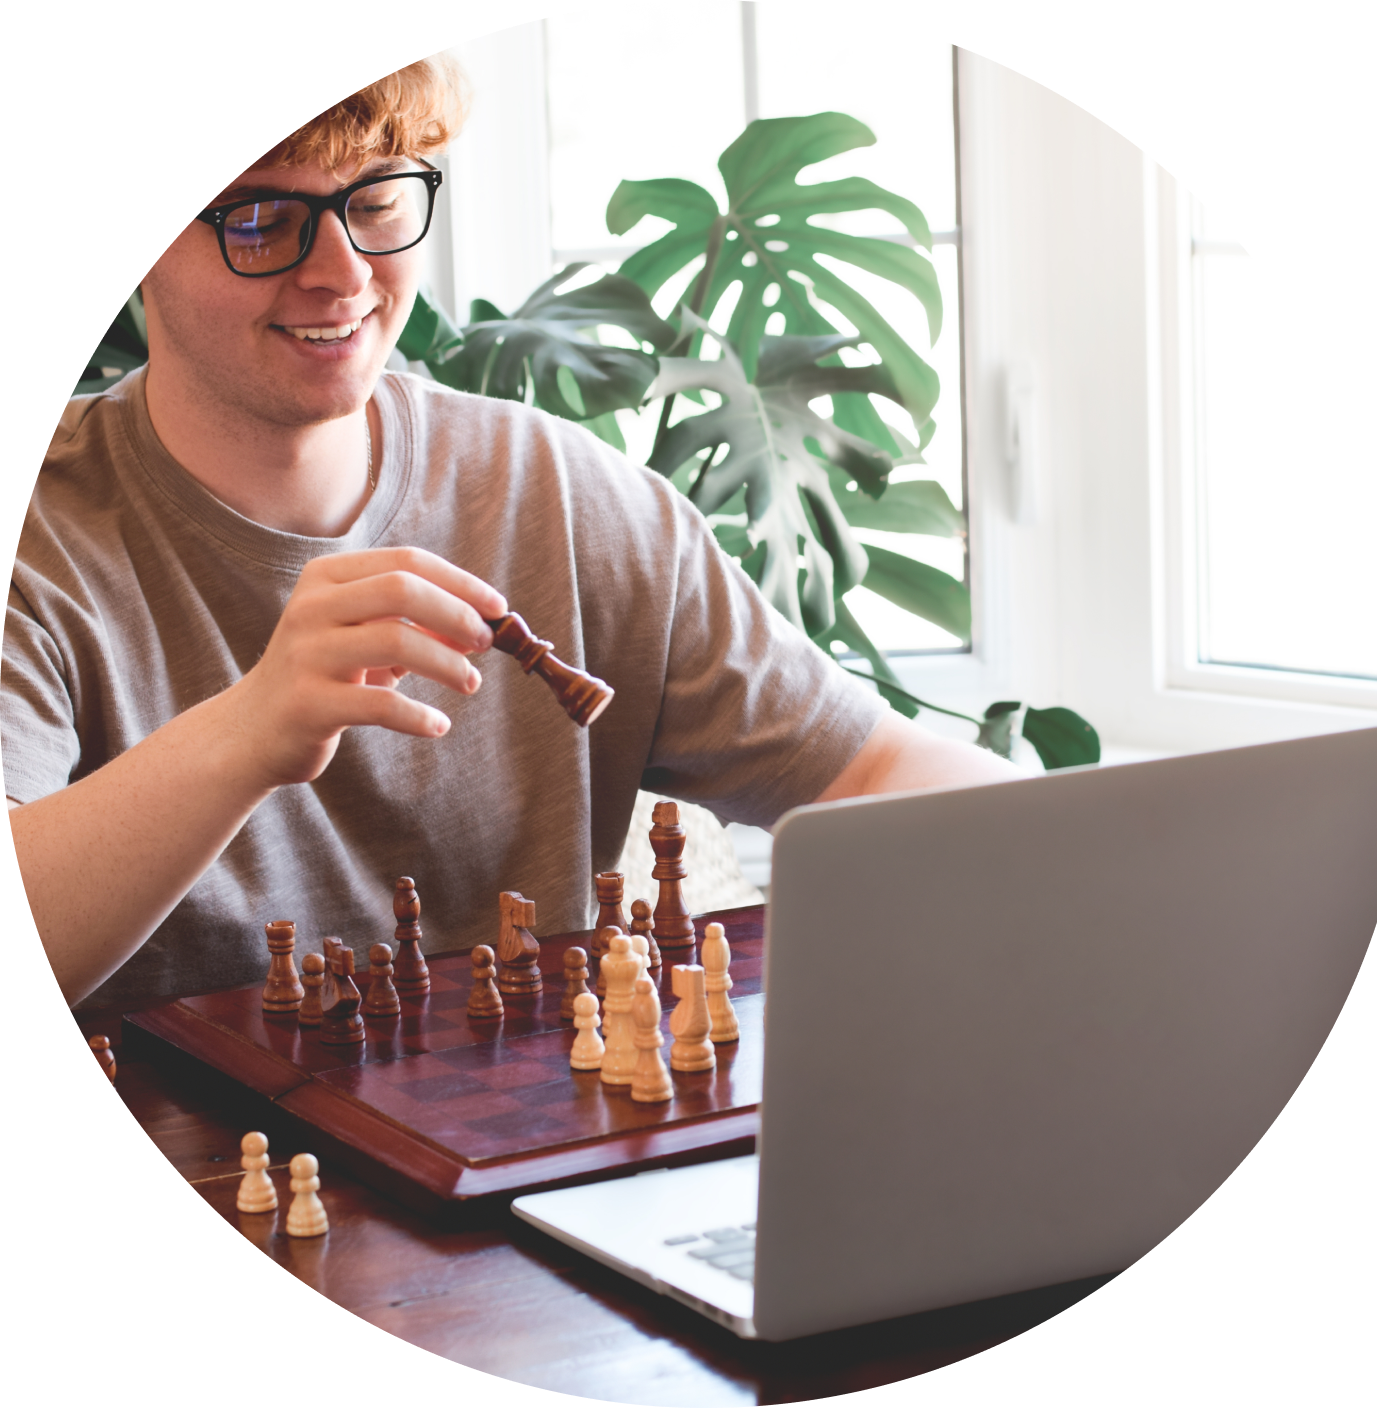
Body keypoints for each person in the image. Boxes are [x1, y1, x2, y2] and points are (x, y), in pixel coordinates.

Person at [5, 59, 1017, 1011]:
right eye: (263, 218)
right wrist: (249, 729)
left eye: (375, 201)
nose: (342, 274)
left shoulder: (559, 491)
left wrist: (1085, 862)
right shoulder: (46, 537)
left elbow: (878, 772)